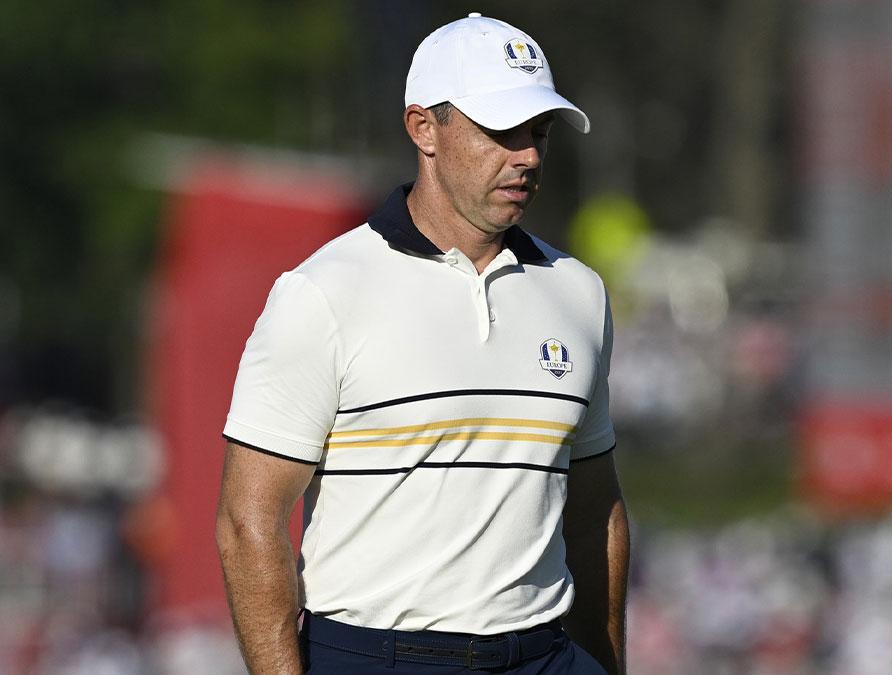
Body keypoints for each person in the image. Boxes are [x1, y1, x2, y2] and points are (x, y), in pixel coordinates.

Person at [215, 13, 628, 674]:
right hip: (377, 654)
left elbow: (594, 510)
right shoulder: (322, 293)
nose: (525, 155)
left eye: (538, 133)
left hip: (545, 653)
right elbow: (249, 522)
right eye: (501, 131)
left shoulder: (578, 293)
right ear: (423, 128)